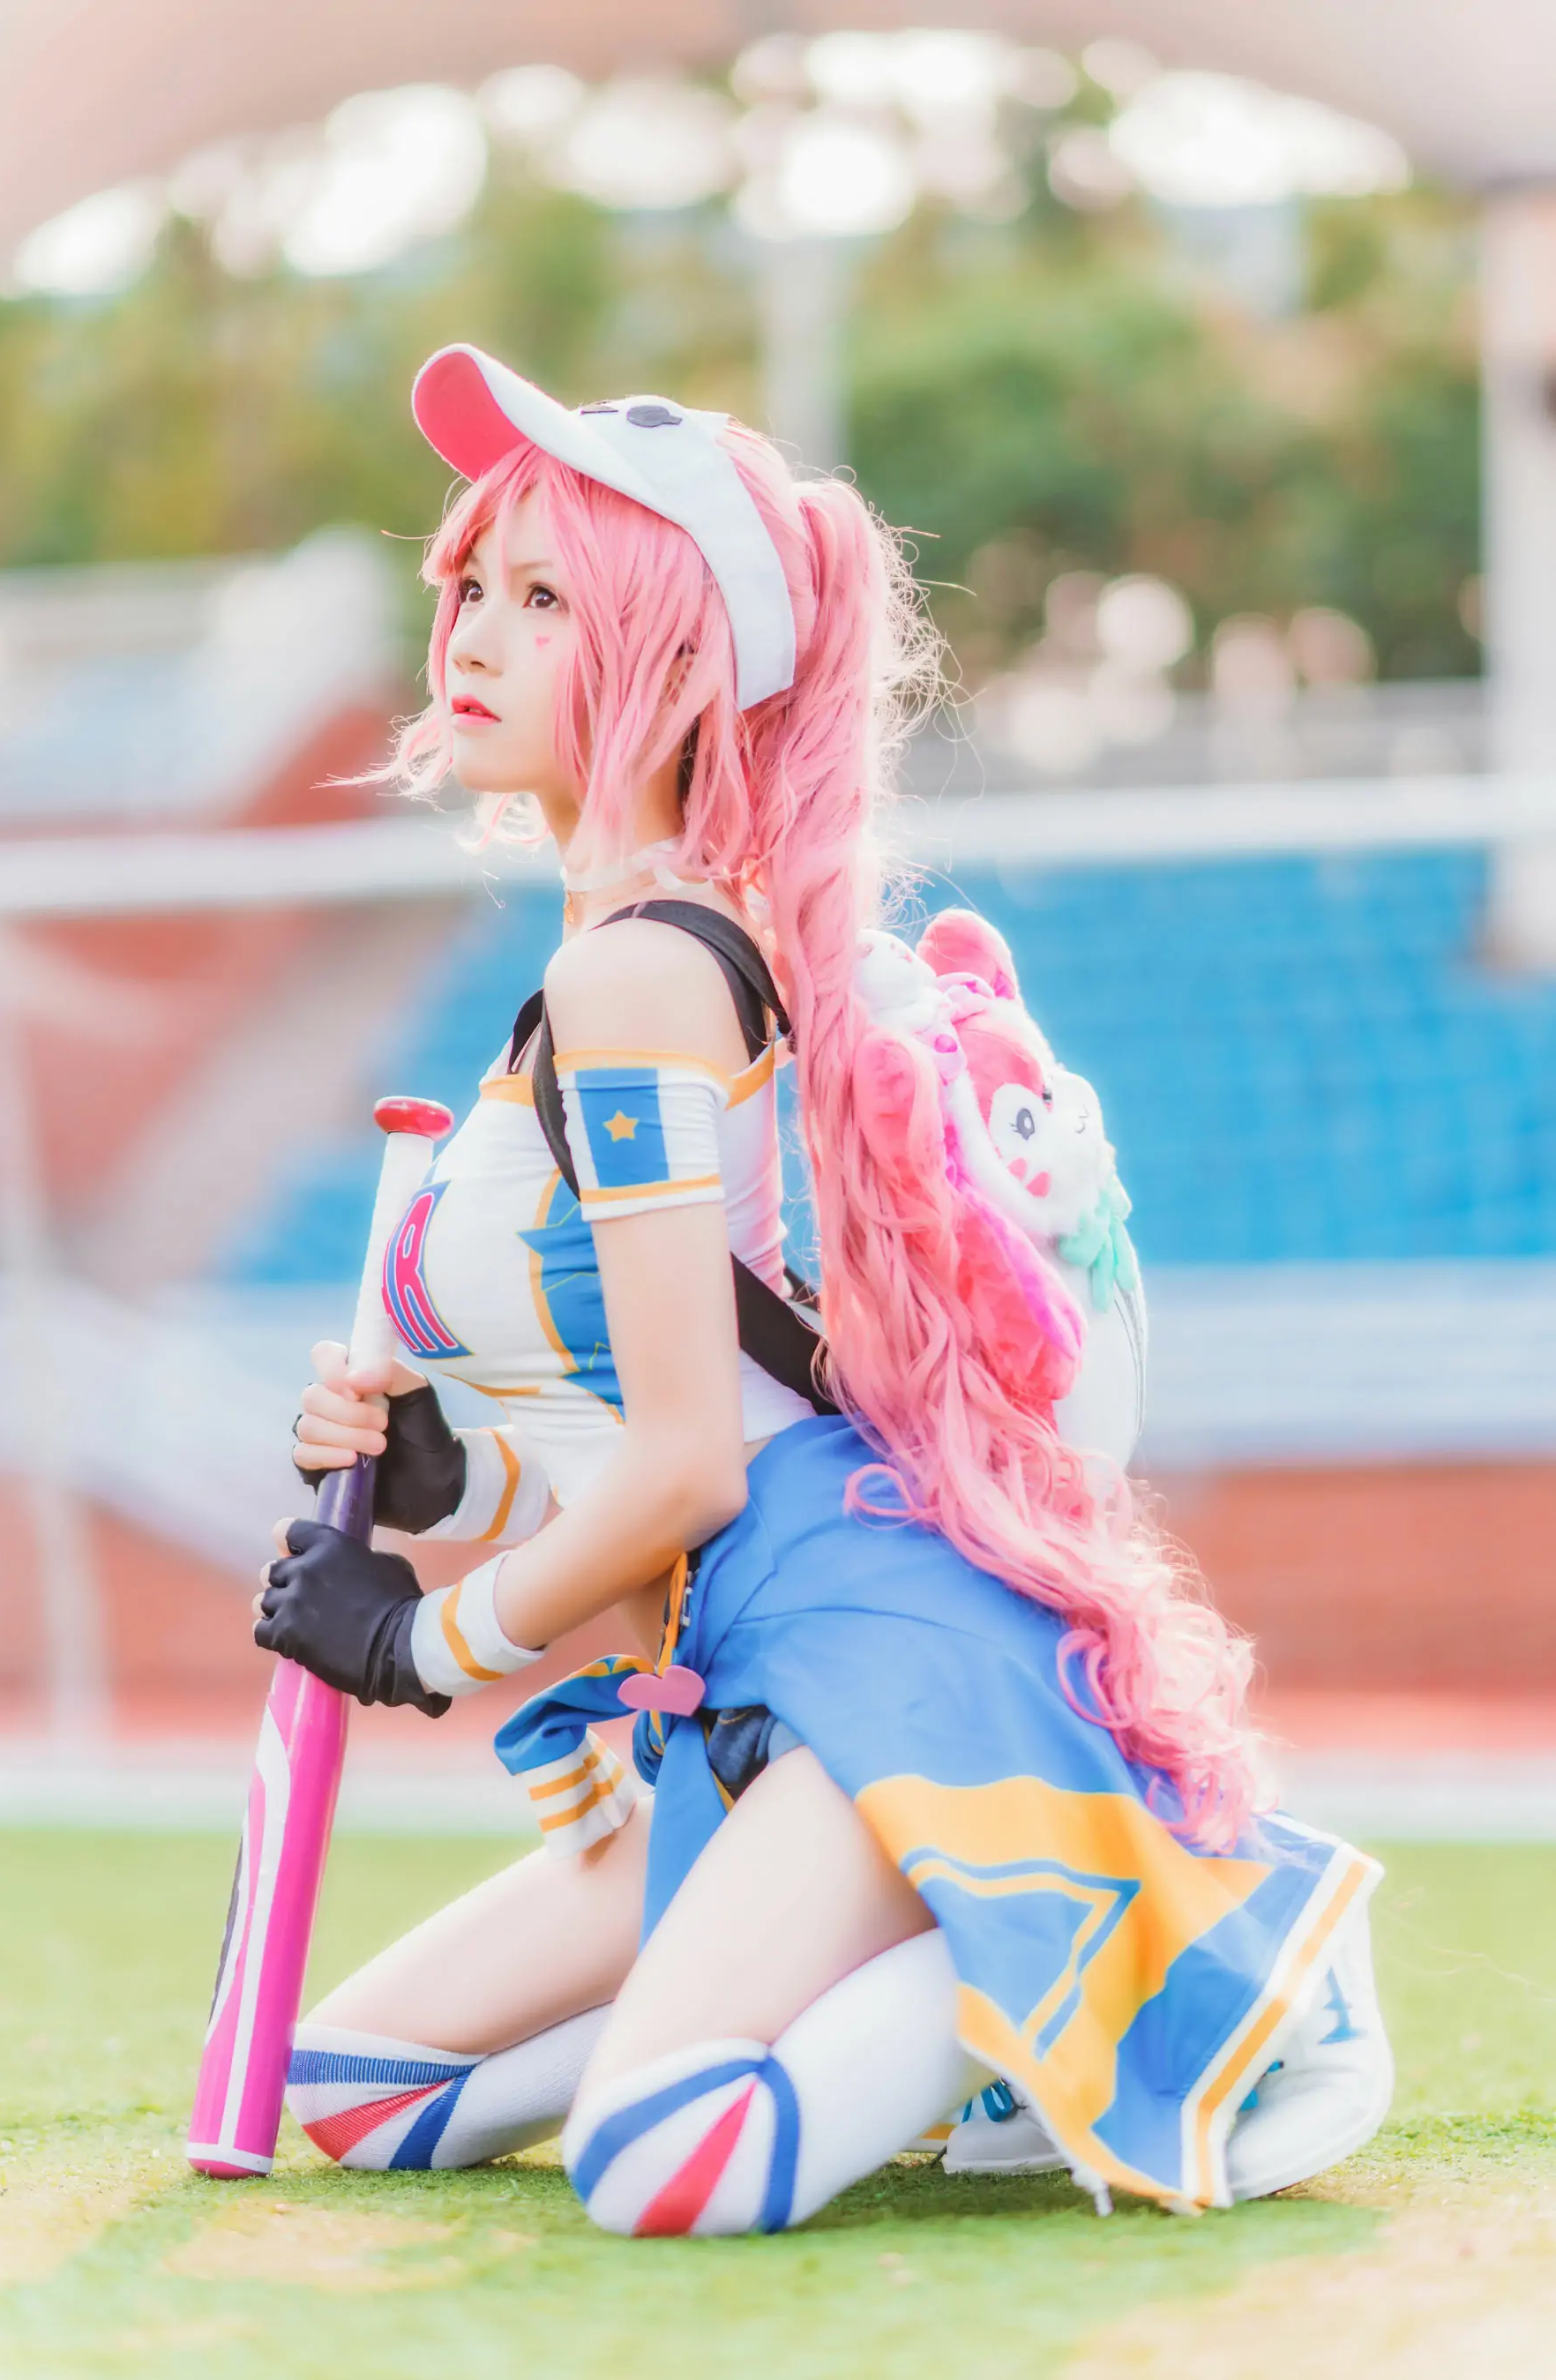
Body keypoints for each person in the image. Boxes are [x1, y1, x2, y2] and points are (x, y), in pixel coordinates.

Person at [255, 345, 1393, 2232]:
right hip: (736, 1661)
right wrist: (444, 1464)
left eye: (549, 597)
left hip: (864, 1629)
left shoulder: (644, 975)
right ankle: (905, 1939)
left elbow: (693, 1462)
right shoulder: (605, 965)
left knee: (658, 2155)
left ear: (683, 662)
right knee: (354, 2090)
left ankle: (1161, 1935)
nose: (476, 631)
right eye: (474, 582)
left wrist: (420, 1643)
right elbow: (648, 1393)